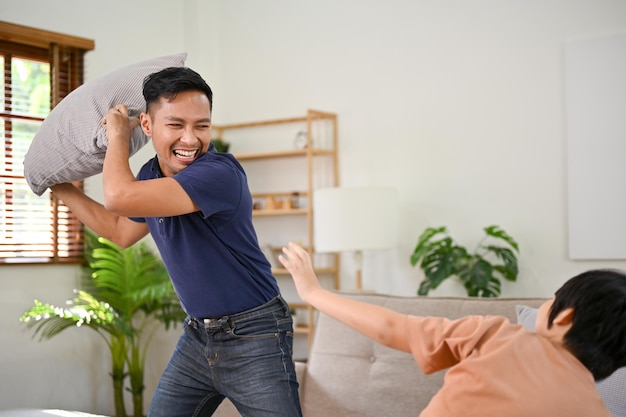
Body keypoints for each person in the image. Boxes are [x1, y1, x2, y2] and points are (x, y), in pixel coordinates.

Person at [50, 67, 302, 417]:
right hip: (198, 336)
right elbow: (120, 231)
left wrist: (118, 135)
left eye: (202, 125)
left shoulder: (218, 174)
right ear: (149, 126)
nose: (190, 139)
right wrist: (59, 186)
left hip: (255, 333)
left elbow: (118, 197)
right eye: (176, 125)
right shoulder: (150, 175)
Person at [278, 242, 626, 417]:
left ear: (565, 317)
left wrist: (313, 292)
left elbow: (390, 326)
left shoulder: (500, 335)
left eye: (553, 299)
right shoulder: (594, 410)